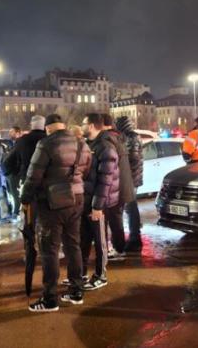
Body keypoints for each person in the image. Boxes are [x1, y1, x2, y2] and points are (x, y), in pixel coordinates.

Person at [21, 114, 91, 312]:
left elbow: (33, 176)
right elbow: (86, 171)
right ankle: (77, 291)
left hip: (52, 203)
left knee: (49, 250)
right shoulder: (81, 144)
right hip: (77, 199)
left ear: (48, 128)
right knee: (73, 245)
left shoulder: (46, 144)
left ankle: (50, 298)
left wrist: (25, 198)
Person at [80, 113, 119, 291]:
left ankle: (100, 275)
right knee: (85, 238)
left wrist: (97, 207)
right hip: (86, 200)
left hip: (98, 204)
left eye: (84, 123)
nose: (82, 126)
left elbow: (105, 180)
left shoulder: (105, 147)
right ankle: (81, 274)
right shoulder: (91, 145)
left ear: (93, 126)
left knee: (100, 240)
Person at [101, 114, 132, 261]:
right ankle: (119, 249)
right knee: (116, 220)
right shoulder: (119, 138)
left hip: (113, 188)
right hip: (123, 186)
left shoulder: (107, 140)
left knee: (108, 220)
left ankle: (114, 249)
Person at [115, 116, 144, 252]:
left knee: (130, 207)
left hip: (130, 177)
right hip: (132, 176)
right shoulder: (132, 137)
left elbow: (132, 157)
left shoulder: (130, 138)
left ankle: (135, 238)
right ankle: (134, 235)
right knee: (130, 207)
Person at [4, 123, 40, 220]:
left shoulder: (22, 142)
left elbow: (13, 159)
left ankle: (17, 214)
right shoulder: (16, 143)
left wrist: (9, 170)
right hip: (18, 172)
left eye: (12, 132)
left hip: (17, 173)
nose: (9, 134)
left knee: (17, 194)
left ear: (18, 132)